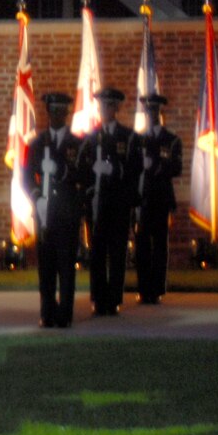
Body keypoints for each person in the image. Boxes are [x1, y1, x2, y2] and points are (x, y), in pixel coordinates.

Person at [23, 93, 86, 329]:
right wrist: (36, 196)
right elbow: (27, 176)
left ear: (67, 114)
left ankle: (65, 314)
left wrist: (59, 172)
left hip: (67, 211)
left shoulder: (77, 144)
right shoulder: (37, 143)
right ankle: (47, 312)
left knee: (66, 265)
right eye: (54, 111)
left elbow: (82, 175)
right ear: (48, 113)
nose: (58, 115)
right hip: (44, 211)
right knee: (46, 266)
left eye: (62, 112)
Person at [77, 87, 141, 317]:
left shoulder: (129, 137)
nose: (105, 110)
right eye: (102, 106)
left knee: (117, 252)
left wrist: (115, 169)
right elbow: (81, 168)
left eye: (109, 106)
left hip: (119, 202)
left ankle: (113, 299)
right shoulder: (90, 138)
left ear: (116, 108)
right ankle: (98, 298)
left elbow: (136, 169)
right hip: (97, 202)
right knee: (97, 252)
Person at [133, 92, 183, 305]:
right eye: (148, 111)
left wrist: (156, 166)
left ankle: (157, 289)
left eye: (154, 110)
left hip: (161, 198)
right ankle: (144, 289)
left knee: (160, 245)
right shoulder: (137, 140)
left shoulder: (171, 140)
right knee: (142, 245)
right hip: (142, 199)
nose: (151, 114)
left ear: (160, 112)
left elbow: (177, 168)